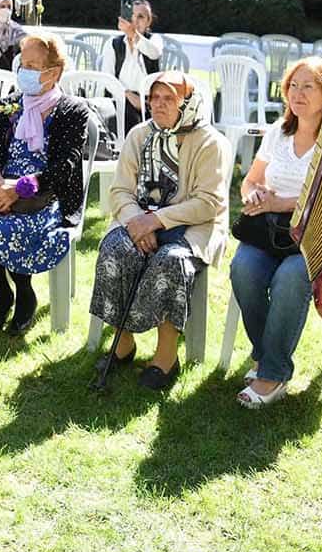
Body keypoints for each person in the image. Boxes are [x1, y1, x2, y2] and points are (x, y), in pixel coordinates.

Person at [89, 72, 227, 391]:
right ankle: (123, 344)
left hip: (192, 229)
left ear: (187, 103)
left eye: (169, 99)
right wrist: (138, 221)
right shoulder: (139, 135)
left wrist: (157, 220)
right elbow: (120, 190)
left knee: (170, 261)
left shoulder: (210, 142)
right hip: (138, 221)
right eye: (154, 98)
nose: (158, 105)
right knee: (113, 251)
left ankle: (166, 357)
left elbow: (208, 204)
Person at [0, 31, 91, 334]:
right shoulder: (9, 104)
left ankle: (24, 293)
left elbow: (64, 167)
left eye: (33, 66)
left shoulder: (73, 110)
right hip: (3, 190)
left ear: (54, 72)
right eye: (23, 64)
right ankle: (3, 292)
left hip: (49, 196)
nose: (25, 71)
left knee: (20, 227)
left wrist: (18, 189)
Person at [229, 57, 322, 408]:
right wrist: (255, 195)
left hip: (313, 240)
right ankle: (265, 354)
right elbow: (250, 181)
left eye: (308, 86)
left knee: (290, 280)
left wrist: (280, 203)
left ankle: (273, 375)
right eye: (293, 85)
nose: (297, 93)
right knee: (243, 269)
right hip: (268, 233)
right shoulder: (279, 131)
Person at [99, 0, 164, 135]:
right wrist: (128, 95)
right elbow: (107, 78)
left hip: (148, 101)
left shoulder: (154, 41)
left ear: (148, 21)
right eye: (132, 16)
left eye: (141, 17)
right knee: (127, 116)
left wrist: (134, 35)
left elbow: (154, 53)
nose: (135, 20)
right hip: (119, 98)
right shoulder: (113, 44)